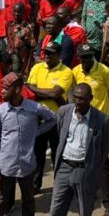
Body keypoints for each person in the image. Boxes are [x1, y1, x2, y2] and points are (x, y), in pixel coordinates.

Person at [29, 84, 109, 216]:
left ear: (90, 98)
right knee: (55, 214)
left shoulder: (101, 120)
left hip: (84, 171)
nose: (77, 102)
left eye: (82, 98)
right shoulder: (65, 112)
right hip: (65, 168)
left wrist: (93, 173)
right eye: (75, 97)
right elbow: (59, 135)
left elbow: (103, 149)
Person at [0, 73, 57, 216]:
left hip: (27, 166)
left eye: (5, 88)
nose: (2, 91)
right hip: (5, 167)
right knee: (1, 202)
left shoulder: (34, 109)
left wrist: (36, 131)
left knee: (28, 200)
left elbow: (53, 118)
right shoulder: (0, 112)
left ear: (17, 90)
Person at [25, 43, 73, 192]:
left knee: (57, 154)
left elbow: (56, 94)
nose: (46, 56)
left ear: (59, 55)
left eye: (51, 53)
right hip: (37, 119)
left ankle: (60, 186)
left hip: (57, 120)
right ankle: (35, 185)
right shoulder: (37, 68)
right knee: (37, 154)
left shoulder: (66, 72)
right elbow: (29, 92)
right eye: (46, 52)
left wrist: (35, 89)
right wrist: (47, 94)